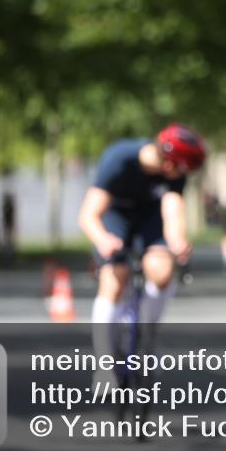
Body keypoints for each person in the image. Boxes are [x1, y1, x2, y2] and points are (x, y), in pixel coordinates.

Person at [78, 124, 206, 362]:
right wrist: (102, 240)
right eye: (183, 170)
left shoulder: (175, 173)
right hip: (116, 214)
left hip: (150, 215)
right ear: (169, 164)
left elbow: (173, 211)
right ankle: (104, 365)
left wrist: (177, 241)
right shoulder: (119, 160)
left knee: (162, 270)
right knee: (115, 276)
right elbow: (88, 214)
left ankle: (146, 333)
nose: (184, 175)